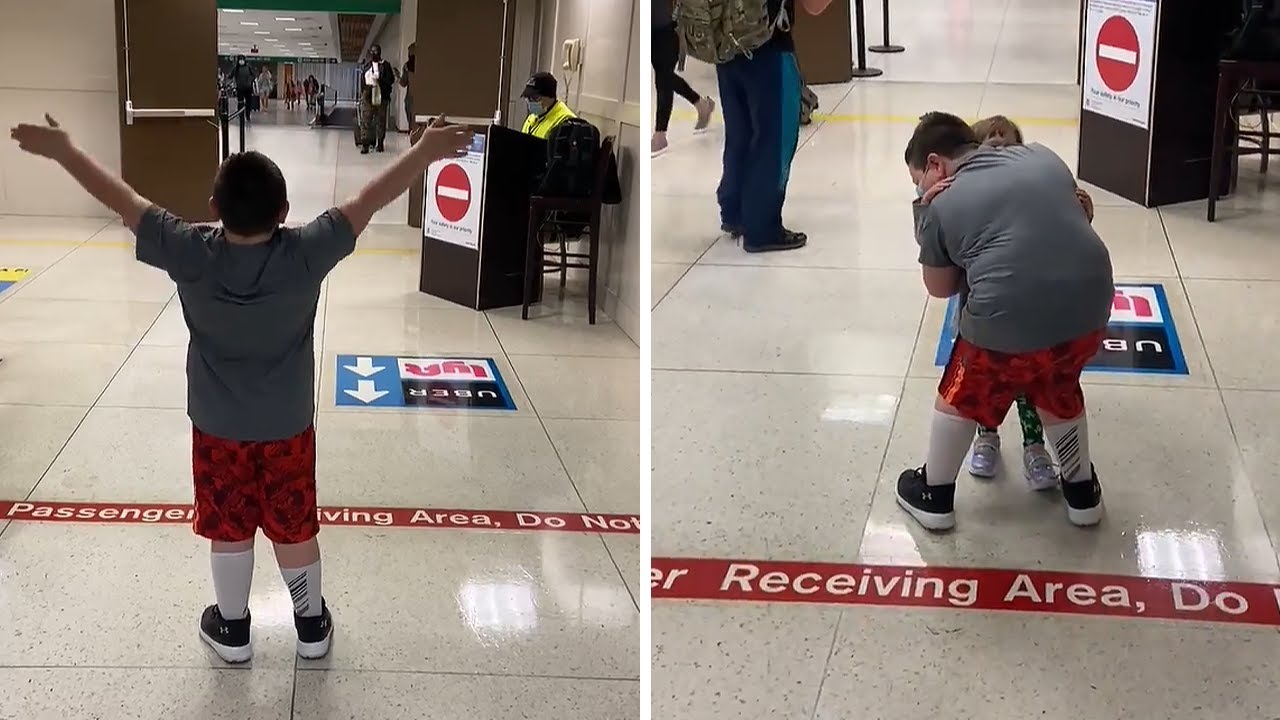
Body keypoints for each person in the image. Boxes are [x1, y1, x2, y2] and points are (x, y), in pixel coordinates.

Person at [8, 112, 472, 663]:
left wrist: (63, 150)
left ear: (212, 208)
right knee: (293, 522)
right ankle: (310, 625)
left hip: (217, 426)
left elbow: (124, 200)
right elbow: (369, 199)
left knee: (229, 525)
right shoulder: (307, 252)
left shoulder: (189, 252)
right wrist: (422, 152)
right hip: (288, 426)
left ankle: (232, 630)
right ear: (284, 212)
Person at [896, 111, 1113, 532]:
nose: (923, 188)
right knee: (1058, 386)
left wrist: (925, 213)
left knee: (960, 395)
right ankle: (1081, 493)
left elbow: (939, 287)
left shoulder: (942, 202)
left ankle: (934, 496)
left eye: (919, 178)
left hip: (1005, 323)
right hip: (1090, 309)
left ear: (937, 165)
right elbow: (1071, 220)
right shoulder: (1044, 156)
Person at [958, 114, 1097, 488]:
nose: (999, 141)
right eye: (990, 137)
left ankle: (1035, 447)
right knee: (985, 383)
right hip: (986, 310)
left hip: (1033, 309)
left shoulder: (1040, 185)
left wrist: (1081, 211)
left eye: (1008, 138)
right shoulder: (968, 190)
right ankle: (985, 437)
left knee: (1030, 386)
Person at [714, 0, 831, 253]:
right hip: (768, 47)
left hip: (726, 44)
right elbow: (814, 6)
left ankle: (734, 212)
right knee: (775, 137)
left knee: (739, 133)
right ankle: (762, 227)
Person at [652, 0, 715, 156]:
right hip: (655, 26)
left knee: (663, 77)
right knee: (664, 75)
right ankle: (701, 104)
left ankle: (660, 134)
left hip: (668, 26)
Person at [359, 45, 396, 153]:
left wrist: (380, 80)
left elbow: (390, 80)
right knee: (365, 120)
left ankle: (380, 143)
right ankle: (365, 144)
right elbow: (362, 81)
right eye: (372, 52)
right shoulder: (366, 66)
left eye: (376, 52)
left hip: (381, 95)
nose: (374, 54)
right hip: (368, 94)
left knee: (381, 120)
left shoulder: (385, 65)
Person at [520, 71, 577, 140]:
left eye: (535, 98)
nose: (530, 102)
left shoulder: (566, 121)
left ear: (550, 97)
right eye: (527, 98)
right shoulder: (534, 116)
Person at [232, 55, 255, 123]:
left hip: (248, 88)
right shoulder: (236, 68)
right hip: (240, 88)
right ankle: (240, 115)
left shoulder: (248, 67)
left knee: (248, 103)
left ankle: (247, 115)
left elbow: (253, 75)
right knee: (240, 102)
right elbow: (230, 75)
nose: (241, 61)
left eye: (242, 59)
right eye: (240, 59)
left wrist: (250, 80)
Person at [400, 42, 416, 132]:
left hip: (410, 97)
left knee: (411, 122)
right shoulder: (426, 64)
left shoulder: (407, 66)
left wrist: (398, 76)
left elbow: (403, 83)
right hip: (424, 97)